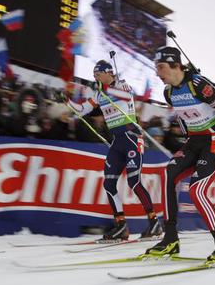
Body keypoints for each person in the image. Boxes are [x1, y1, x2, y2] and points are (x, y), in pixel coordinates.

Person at [143, 46, 215, 261]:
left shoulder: (198, 84)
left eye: (161, 67)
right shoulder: (168, 93)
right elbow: (183, 117)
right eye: (156, 68)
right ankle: (170, 239)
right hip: (194, 141)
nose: (158, 73)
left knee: (196, 190)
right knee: (168, 173)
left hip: (214, 140)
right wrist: (186, 140)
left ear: (176, 65)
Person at [61, 60, 162, 240]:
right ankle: (121, 225)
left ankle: (154, 223)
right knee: (108, 183)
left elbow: (123, 96)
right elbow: (83, 109)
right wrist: (67, 101)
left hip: (131, 137)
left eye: (98, 75)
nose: (96, 78)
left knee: (134, 182)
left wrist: (103, 89)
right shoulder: (101, 94)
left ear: (109, 72)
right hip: (117, 142)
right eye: (94, 76)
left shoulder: (122, 85)